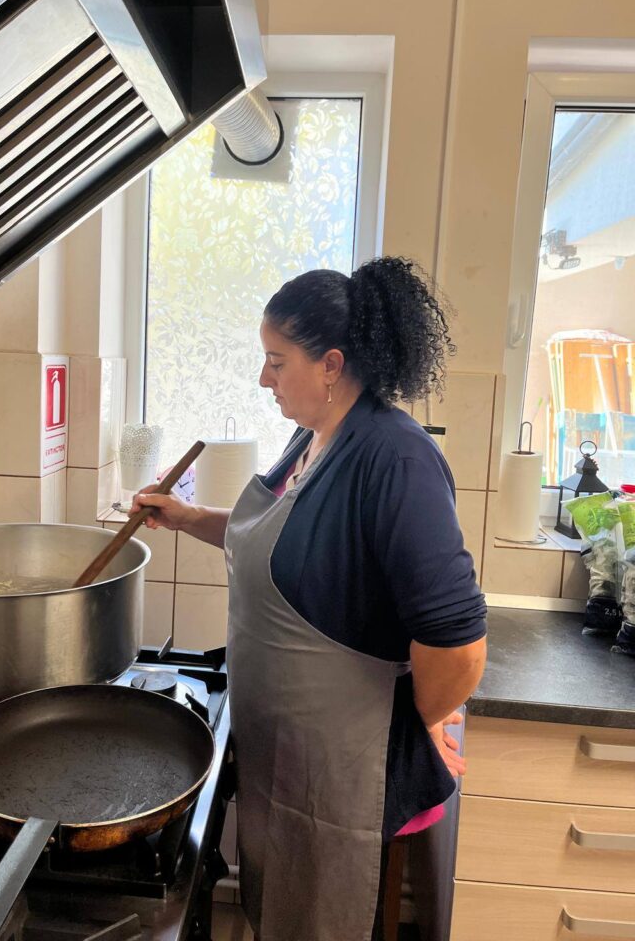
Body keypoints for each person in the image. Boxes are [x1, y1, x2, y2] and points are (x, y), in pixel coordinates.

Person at [132, 258, 487, 941]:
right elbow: (278, 543)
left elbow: (459, 646)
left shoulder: (395, 458)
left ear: (330, 365)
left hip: (344, 773)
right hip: (285, 754)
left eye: (276, 362)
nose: (263, 379)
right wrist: (186, 517)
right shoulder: (313, 437)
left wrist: (412, 726)